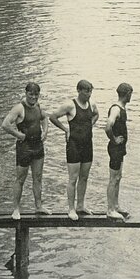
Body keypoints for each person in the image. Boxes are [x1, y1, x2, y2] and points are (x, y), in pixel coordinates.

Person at [49, 80, 100, 221]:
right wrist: (65, 129)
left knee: (84, 177)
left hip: (87, 145)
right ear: (79, 90)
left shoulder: (92, 104)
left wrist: (90, 124)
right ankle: (71, 209)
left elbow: (96, 114)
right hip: (74, 146)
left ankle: (80, 205)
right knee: (73, 178)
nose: (89, 94)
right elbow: (53, 117)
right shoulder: (70, 105)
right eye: (86, 91)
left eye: (90, 91)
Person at [2, 82, 52, 219]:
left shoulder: (38, 106)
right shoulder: (19, 107)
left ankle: (38, 206)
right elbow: (5, 124)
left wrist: (45, 132)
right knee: (20, 179)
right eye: (31, 94)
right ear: (26, 93)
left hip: (38, 147)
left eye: (36, 95)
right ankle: (16, 209)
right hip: (24, 147)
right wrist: (18, 135)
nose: (33, 97)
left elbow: (45, 118)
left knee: (38, 178)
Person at [105, 83, 133, 220]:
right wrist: (114, 139)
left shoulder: (121, 108)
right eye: (130, 94)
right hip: (115, 148)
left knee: (118, 177)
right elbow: (108, 126)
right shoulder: (116, 109)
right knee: (113, 178)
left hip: (120, 149)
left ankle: (116, 206)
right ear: (127, 94)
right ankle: (110, 209)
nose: (131, 97)